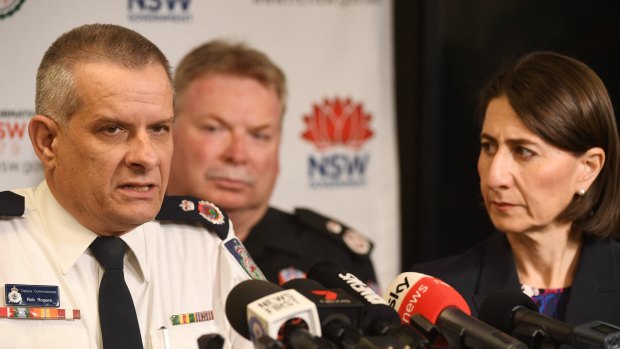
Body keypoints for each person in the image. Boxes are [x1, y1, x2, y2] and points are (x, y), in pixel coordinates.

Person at [0, 24, 257, 349]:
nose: (146, 157)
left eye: (159, 129)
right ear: (47, 141)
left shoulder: (204, 243)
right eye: (113, 129)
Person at [412, 51, 620, 325]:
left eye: (523, 151)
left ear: (588, 168)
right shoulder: (434, 294)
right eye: (488, 146)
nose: (495, 177)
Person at [167, 40, 378, 287]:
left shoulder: (335, 260)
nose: (238, 154)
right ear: (167, 130)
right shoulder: (123, 241)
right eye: (215, 129)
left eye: (259, 135)